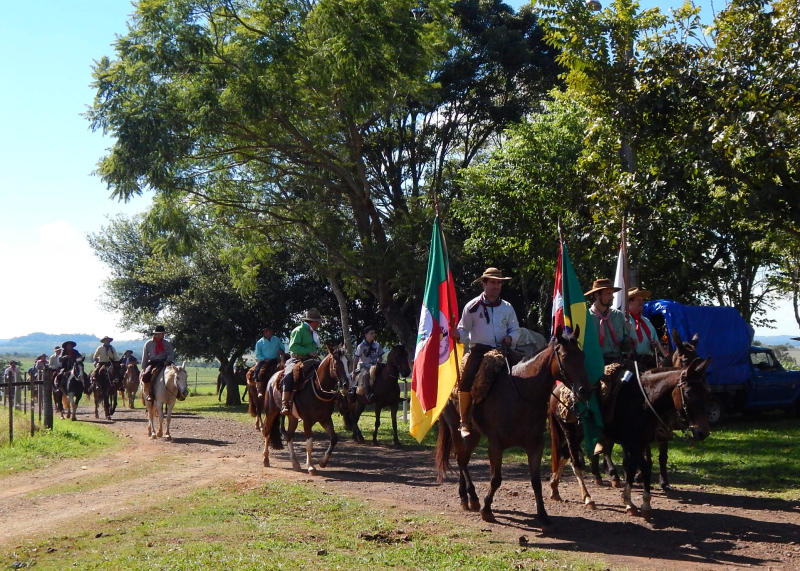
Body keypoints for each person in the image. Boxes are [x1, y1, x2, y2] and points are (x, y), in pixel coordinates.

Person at [451, 267, 520, 438]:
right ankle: (465, 421)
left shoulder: (507, 307)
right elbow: (463, 329)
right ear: (484, 284)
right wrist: (457, 334)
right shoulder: (472, 307)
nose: (496, 286)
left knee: (523, 376)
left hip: (503, 350)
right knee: (466, 380)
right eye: (493, 283)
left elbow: (515, 329)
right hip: (480, 351)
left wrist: (511, 338)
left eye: (499, 283)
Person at [279, 309, 322, 415]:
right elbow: (293, 347)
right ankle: (285, 404)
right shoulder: (298, 330)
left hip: (312, 360)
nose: (319, 324)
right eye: (318, 322)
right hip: (297, 359)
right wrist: (308, 352)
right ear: (314, 321)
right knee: (288, 374)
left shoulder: (313, 332)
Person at [585, 278, 632, 364]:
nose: (612, 297)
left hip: (618, 361)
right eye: (608, 294)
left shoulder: (618, 315)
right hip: (597, 363)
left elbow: (625, 339)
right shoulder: (586, 318)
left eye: (612, 293)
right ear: (597, 296)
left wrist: (629, 343)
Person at [627, 287, 666, 369]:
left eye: (642, 300)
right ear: (630, 302)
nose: (642, 302)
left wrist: (656, 345)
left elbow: (656, 342)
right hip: (630, 362)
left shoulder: (647, 321)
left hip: (649, 362)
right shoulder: (623, 320)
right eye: (638, 300)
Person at [141, 325, 175, 402]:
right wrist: (144, 368)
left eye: (163, 333)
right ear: (156, 334)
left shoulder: (167, 343)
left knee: (177, 373)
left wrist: (168, 361)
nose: (163, 335)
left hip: (165, 362)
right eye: (161, 333)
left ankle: (178, 393)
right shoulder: (148, 343)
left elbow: (171, 354)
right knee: (146, 375)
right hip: (153, 362)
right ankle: (150, 392)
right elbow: (145, 356)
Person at [351, 326, 384, 403]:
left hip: (375, 365)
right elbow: (356, 358)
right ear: (366, 335)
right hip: (364, 366)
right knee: (366, 374)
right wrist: (353, 371)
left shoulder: (377, 345)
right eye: (371, 334)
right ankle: (368, 394)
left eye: (374, 333)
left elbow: (380, 356)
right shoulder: (361, 346)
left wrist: (379, 362)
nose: (373, 335)